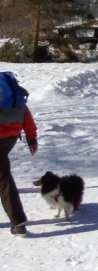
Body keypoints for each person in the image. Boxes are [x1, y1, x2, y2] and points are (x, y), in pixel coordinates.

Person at [0, 71, 39, 236]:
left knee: (3, 178)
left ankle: (18, 223)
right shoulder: (12, 90)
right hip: (10, 138)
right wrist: (31, 138)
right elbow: (26, 114)